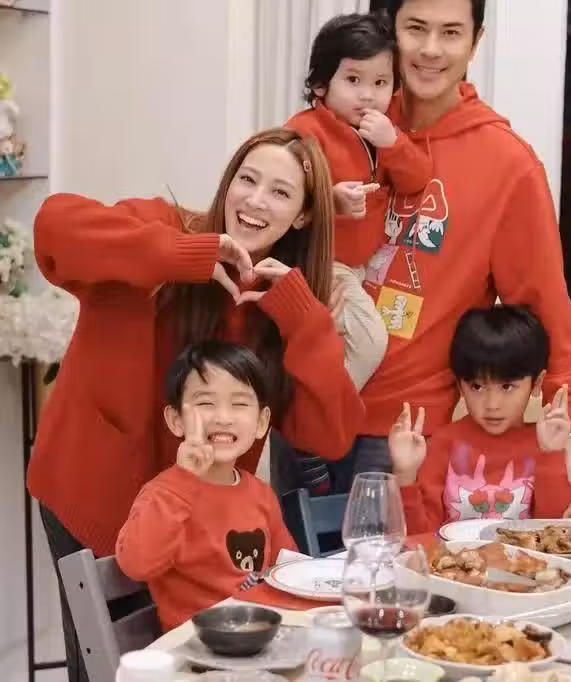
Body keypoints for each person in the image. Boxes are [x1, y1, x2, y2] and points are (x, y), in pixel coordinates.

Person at [29, 127, 364, 682]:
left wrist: (304, 318)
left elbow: (328, 433)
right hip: (93, 488)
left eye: (281, 192)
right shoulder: (167, 227)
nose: (256, 200)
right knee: (110, 666)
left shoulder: (283, 299)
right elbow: (54, 228)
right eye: (247, 179)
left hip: (196, 519)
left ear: (303, 216)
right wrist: (184, 255)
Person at [326, 0, 571, 506]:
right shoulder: (346, 122)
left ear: (475, 42)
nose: (430, 49)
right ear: (390, 30)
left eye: (451, 33)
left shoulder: (507, 163)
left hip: (405, 434)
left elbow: (542, 302)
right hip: (307, 409)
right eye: (415, 28)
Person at [286, 12, 434, 491]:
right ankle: (310, 426)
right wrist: (329, 200)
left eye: (380, 83)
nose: (367, 95)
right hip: (316, 261)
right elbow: (284, 196)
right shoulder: (305, 131)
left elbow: (416, 179)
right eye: (353, 80)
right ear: (320, 85)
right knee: (369, 341)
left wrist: (394, 143)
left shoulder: (381, 133)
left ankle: (313, 414)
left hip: (356, 268)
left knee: (340, 347)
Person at [116, 341, 297, 631]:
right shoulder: (164, 493)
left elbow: (287, 568)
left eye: (239, 404)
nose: (223, 418)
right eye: (205, 403)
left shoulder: (260, 494)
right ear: (176, 420)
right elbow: (137, 564)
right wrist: (182, 481)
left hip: (258, 636)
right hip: (195, 646)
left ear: (261, 422)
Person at [389, 305, 571, 534]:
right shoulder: (443, 443)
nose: (492, 404)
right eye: (476, 386)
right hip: (452, 557)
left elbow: (555, 533)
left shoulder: (544, 443)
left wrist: (552, 455)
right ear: (460, 385)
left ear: (536, 383)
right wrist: (405, 475)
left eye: (507, 386)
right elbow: (419, 536)